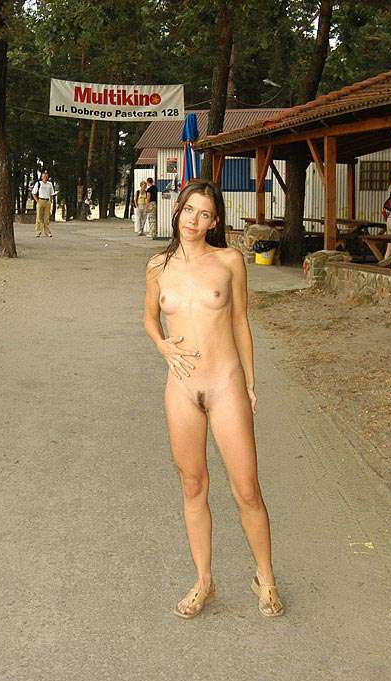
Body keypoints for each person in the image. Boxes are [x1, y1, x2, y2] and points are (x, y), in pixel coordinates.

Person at [142, 179, 284, 620]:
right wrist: (161, 345)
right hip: (182, 386)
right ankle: (204, 581)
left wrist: (250, 384)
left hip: (225, 383)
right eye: (189, 210)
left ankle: (266, 579)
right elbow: (149, 317)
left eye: (204, 214)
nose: (194, 220)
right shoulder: (157, 266)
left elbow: (240, 321)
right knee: (193, 485)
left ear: (214, 221)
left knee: (247, 489)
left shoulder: (229, 261)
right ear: (177, 211)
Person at [31, 171, 57, 237]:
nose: (45, 177)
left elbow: (52, 193)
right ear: (42, 177)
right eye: (44, 176)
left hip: (47, 201)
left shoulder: (50, 184)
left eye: (46, 176)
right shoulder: (38, 183)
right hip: (40, 200)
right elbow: (33, 193)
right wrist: (37, 201)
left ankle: (47, 232)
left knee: (47, 218)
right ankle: (38, 232)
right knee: (39, 217)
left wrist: (50, 201)